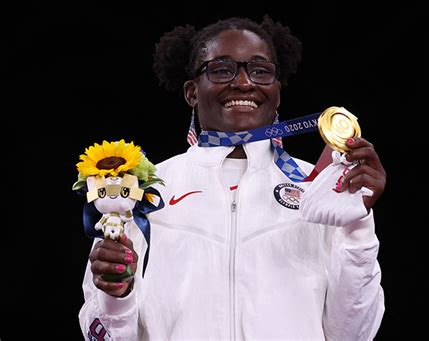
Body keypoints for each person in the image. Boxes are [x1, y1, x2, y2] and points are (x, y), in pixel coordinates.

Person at [78, 15, 387, 340]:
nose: (243, 82)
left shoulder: (322, 188)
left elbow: (353, 334)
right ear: (192, 92)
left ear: (277, 92)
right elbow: (102, 334)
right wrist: (116, 297)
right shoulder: (142, 193)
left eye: (260, 71)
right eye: (222, 69)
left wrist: (358, 230)